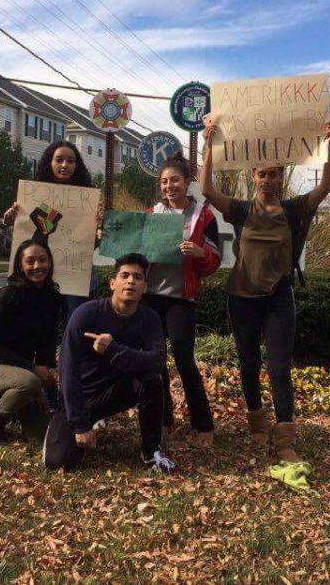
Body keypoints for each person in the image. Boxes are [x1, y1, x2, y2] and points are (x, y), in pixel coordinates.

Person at [200, 117, 330, 463]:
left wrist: (328, 146)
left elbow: (325, 188)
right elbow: (207, 190)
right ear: (253, 177)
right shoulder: (242, 210)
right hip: (242, 298)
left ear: (282, 177)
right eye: (262, 174)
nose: (268, 180)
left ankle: (286, 437)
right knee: (248, 364)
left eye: (274, 174)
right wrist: (208, 143)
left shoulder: (293, 209)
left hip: (279, 298)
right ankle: (258, 426)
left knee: (278, 368)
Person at [47, 253, 174, 473]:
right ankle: (62, 423)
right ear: (113, 283)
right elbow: (68, 371)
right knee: (58, 462)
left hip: (114, 393)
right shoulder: (87, 314)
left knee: (152, 379)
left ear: (145, 287)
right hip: (81, 397)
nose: (131, 281)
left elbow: (158, 360)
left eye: (138, 277)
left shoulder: (149, 318)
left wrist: (113, 350)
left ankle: (151, 450)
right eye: (124, 275)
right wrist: (80, 424)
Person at [3, 140, 102, 411]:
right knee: (43, 338)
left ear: (77, 165)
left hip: (75, 277)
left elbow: (86, 246)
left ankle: (75, 396)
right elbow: (31, 237)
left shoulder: (85, 200)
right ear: (49, 162)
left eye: (70, 160)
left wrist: (96, 235)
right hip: (41, 280)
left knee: (74, 338)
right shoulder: (38, 198)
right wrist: (12, 218)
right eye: (59, 159)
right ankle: (49, 400)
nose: (64, 165)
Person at [145, 152, 221, 448]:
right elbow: (137, 255)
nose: (169, 186)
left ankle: (203, 425)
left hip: (181, 298)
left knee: (184, 360)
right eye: (164, 181)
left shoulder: (203, 215)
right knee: (155, 363)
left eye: (175, 180)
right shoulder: (152, 214)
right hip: (151, 297)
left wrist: (201, 254)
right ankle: (163, 420)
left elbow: (214, 261)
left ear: (187, 182)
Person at [0, 239, 61, 445]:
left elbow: (47, 346)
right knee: (29, 383)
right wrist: (33, 371)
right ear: (20, 266)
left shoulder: (53, 298)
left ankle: (16, 402)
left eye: (42, 260)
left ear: (50, 263)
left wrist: (50, 374)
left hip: (24, 372)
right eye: (30, 261)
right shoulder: (8, 296)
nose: (37, 266)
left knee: (40, 440)